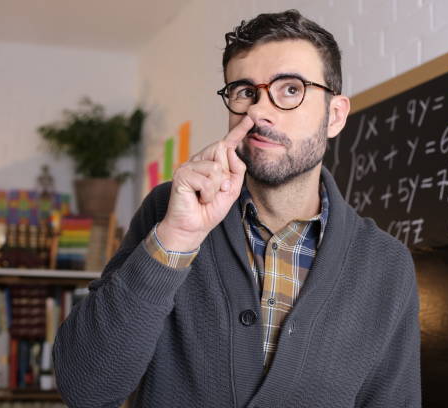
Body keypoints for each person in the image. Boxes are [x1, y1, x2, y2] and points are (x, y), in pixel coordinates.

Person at [53, 9, 421, 408]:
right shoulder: (169, 210)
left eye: (291, 90)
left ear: (334, 116)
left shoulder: (387, 264)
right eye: (245, 92)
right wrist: (177, 239)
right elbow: (84, 389)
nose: (258, 112)